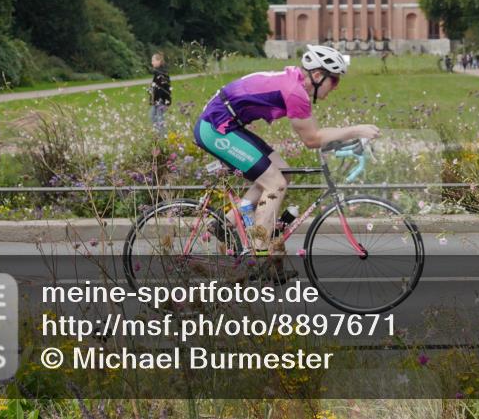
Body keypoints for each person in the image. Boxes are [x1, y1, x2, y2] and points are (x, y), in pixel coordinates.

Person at [193, 45, 379, 274]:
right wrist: (356, 130)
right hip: (215, 128)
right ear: (319, 75)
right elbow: (312, 139)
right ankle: (259, 256)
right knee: (275, 184)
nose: (336, 86)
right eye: (335, 80)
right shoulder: (295, 92)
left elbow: (315, 135)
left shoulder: (296, 83)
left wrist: (347, 138)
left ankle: (225, 224)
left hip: (226, 124)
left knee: (284, 173)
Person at [148, 53, 171, 135]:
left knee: (159, 119)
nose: (152, 63)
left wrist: (164, 102)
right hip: (157, 100)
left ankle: (162, 136)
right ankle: (158, 135)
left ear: (159, 61)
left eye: (153, 60)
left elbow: (164, 89)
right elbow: (156, 87)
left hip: (160, 101)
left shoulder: (162, 73)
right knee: (153, 117)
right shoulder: (157, 73)